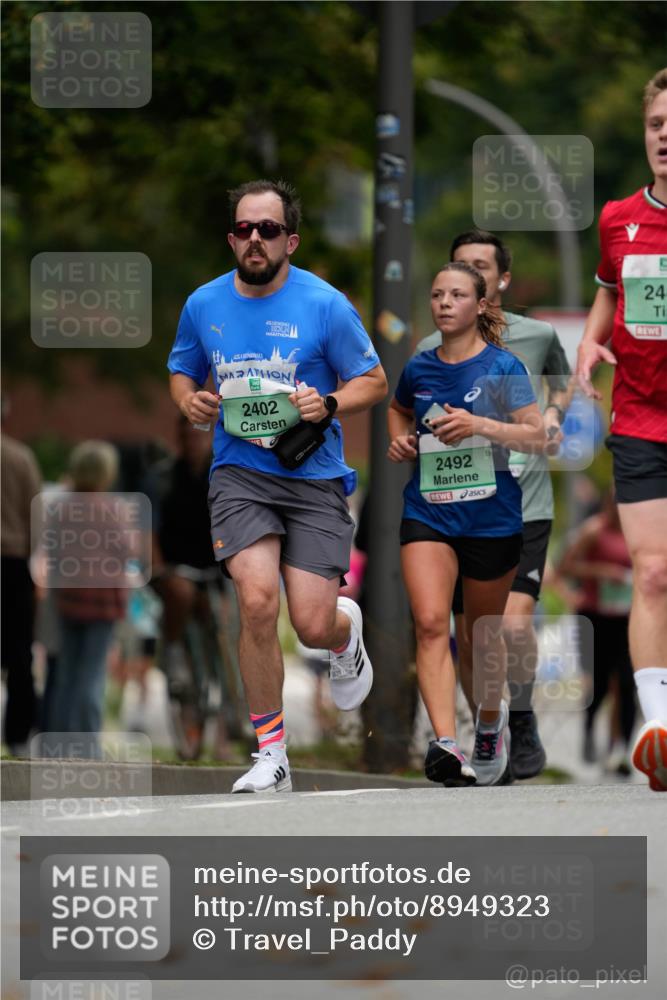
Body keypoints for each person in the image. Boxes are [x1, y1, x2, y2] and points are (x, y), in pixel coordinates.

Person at [167, 179, 387, 793]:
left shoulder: (325, 304)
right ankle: (272, 753)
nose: (254, 240)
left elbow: (374, 381)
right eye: (244, 229)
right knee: (257, 601)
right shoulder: (203, 304)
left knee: (311, 624)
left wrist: (331, 401)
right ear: (232, 238)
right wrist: (191, 404)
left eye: (267, 230)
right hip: (240, 475)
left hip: (312, 476)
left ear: (289, 239)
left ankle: (345, 636)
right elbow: (181, 373)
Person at [416, 230, 572, 779]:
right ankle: (490, 726)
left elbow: (561, 379)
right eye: (459, 267)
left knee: (509, 627)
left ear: (499, 282)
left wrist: (551, 416)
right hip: (457, 509)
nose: (467, 277)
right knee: (468, 629)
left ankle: (519, 716)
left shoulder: (536, 336)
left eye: (479, 268)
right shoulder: (428, 351)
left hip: (523, 502)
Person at [388, 261, 544, 786]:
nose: (445, 303)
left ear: (481, 305)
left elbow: (535, 434)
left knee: (481, 633)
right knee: (432, 623)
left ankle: (489, 724)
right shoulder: (419, 366)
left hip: (491, 518)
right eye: (436, 295)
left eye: (457, 295)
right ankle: (446, 744)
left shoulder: (503, 368)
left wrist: (479, 424)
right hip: (429, 511)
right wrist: (402, 439)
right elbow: (399, 409)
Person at [576, 68, 667, 792]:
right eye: (655, 124)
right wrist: (587, 342)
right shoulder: (616, 218)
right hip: (638, 417)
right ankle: (654, 725)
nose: (663, 136)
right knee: (653, 572)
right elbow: (607, 294)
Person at [44, 441, 132, 758]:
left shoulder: (60, 507)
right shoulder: (113, 508)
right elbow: (127, 550)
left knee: (66, 673)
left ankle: (59, 746)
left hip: (68, 599)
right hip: (103, 602)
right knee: (92, 674)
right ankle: (88, 749)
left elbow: (52, 550)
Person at [558, 491, 636, 774]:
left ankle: (622, 749)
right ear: (606, 506)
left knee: (627, 682)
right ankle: (590, 727)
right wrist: (602, 571)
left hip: (628, 616)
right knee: (601, 682)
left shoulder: (638, 531)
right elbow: (565, 567)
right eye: (614, 506)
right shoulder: (594, 531)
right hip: (595, 616)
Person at [1, 417, 41, 755]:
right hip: (12, 561)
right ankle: (17, 735)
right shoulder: (20, 457)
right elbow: (36, 516)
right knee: (18, 653)